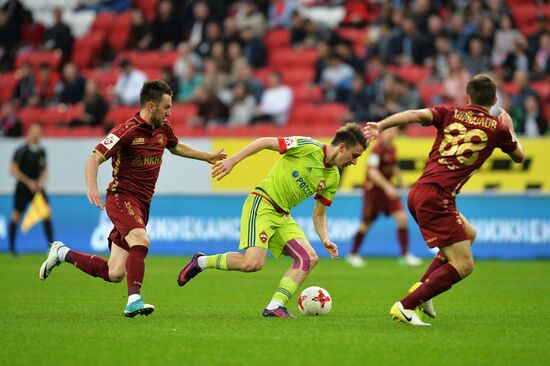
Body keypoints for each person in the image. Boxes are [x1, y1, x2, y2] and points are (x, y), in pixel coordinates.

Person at [38, 80, 226, 317]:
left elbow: (175, 146)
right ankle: (134, 300)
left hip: (142, 204)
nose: (170, 112)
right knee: (141, 239)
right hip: (121, 197)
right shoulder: (125, 130)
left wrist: (207, 156)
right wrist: (92, 187)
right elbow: (94, 159)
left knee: (114, 272)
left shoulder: (163, 128)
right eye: (166, 107)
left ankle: (62, 253)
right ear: (151, 106)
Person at [363, 74, 525, 326]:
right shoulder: (498, 128)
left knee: (468, 234)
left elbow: (415, 115)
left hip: (420, 191)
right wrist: (511, 127)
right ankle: (406, 305)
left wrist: (380, 125)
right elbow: (519, 157)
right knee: (464, 264)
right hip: (438, 197)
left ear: (467, 96)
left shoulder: (450, 112)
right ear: (494, 100)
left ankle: (423, 289)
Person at [177, 123, 367, 318]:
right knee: (252, 264)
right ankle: (201, 261)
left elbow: (319, 214)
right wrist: (233, 160)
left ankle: (275, 306)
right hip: (262, 203)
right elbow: (265, 142)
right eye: (355, 156)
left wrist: (325, 239)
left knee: (308, 258)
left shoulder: (333, 177)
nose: (354, 162)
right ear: (342, 147)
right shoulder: (307, 146)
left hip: (282, 215)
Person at [348, 127, 422, 268]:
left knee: (402, 218)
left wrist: (401, 181)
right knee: (366, 224)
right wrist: (388, 186)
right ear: (382, 133)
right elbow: (373, 172)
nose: (390, 133)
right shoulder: (377, 150)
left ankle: (405, 255)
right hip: (374, 193)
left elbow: (393, 167)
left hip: (388, 193)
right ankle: (353, 254)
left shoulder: (392, 148)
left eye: (393, 131)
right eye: (388, 131)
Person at [9, 123, 53, 255]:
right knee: (17, 216)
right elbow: (13, 169)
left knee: (47, 214)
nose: (36, 134)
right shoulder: (21, 150)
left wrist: (41, 181)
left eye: (38, 132)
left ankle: (51, 247)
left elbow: (45, 170)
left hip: (38, 187)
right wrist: (29, 182)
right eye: (34, 131)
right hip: (23, 187)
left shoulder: (41, 151)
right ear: (29, 133)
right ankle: (12, 247)